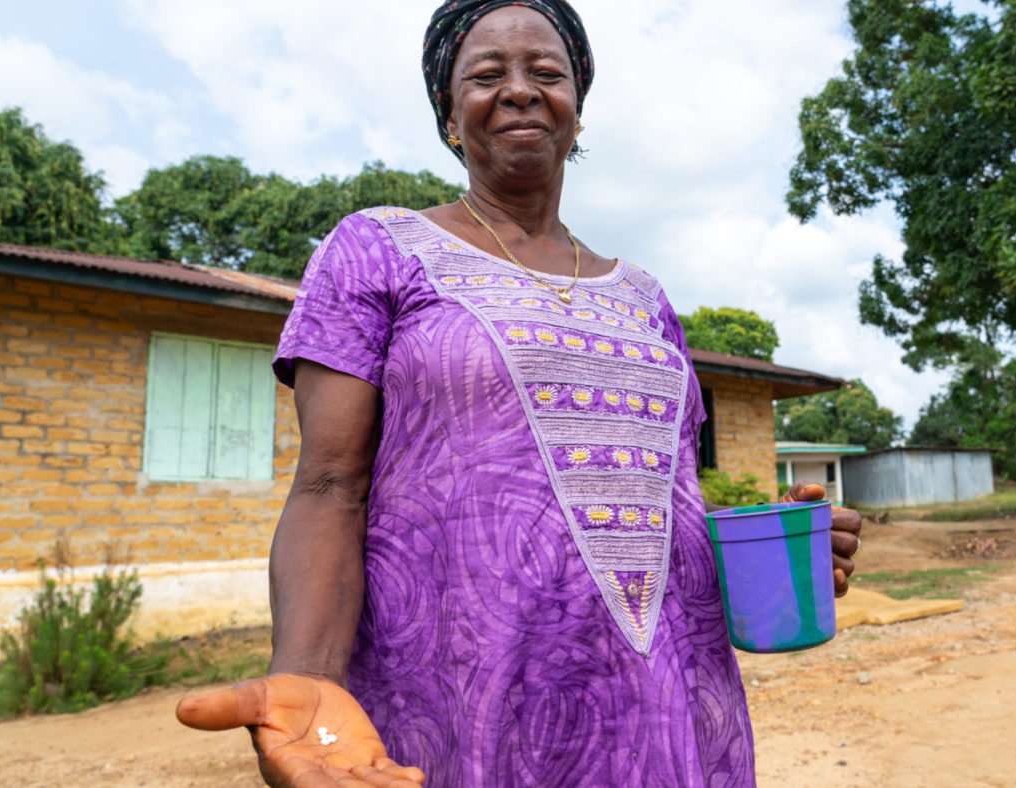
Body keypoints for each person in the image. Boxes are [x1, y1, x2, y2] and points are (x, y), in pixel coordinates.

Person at [173, 2, 863, 786]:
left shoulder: (646, 298)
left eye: (546, 72)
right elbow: (330, 486)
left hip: (665, 703)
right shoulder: (376, 250)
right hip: (460, 701)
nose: (520, 90)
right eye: (486, 74)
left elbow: (663, 505)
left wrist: (782, 559)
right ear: (448, 113)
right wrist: (307, 677)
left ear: (577, 109)